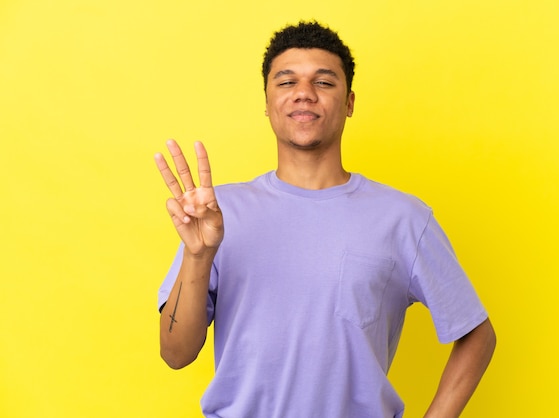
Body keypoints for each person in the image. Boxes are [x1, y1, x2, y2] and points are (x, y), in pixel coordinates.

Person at [155, 21, 496, 418]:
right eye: (286, 82)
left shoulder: (403, 219)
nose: (304, 93)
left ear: (349, 102)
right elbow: (175, 354)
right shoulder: (217, 215)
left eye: (324, 82)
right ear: (266, 103)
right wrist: (198, 256)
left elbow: (477, 334)